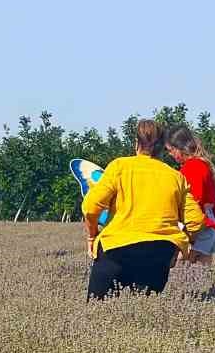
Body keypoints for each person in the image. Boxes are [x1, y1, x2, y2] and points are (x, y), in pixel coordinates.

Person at [82, 119, 205, 299]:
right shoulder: (176, 177)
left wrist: (92, 236)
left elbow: (90, 206)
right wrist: (182, 245)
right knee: (145, 316)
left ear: (136, 143)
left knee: (96, 310)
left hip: (116, 249)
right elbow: (196, 221)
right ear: (162, 146)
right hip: (160, 252)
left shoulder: (119, 167)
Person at [166, 126, 215, 263]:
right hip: (209, 224)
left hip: (199, 224)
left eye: (171, 150)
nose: (170, 154)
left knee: (181, 264)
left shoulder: (192, 167)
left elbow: (194, 200)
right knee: (202, 271)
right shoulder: (202, 164)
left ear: (180, 148)